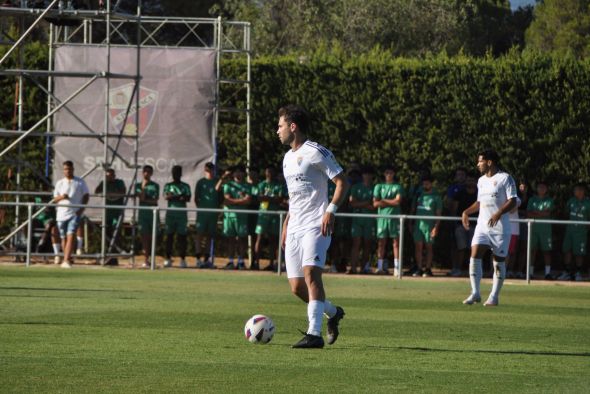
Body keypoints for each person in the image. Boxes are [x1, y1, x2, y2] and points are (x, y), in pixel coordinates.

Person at [277, 104, 348, 348]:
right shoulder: (287, 158)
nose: (278, 131)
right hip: (295, 226)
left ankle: (314, 334)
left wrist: (331, 211)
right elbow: (294, 196)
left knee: (311, 274)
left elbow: (342, 182)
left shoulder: (316, 151)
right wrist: (287, 223)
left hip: (316, 225)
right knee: (297, 287)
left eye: (280, 126)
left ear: (292, 127)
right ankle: (333, 312)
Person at [461, 150, 517, 306]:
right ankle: (475, 293)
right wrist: (466, 211)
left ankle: (494, 296)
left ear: (489, 162)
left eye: (480, 161)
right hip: (482, 227)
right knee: (474, 254)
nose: (478, 164)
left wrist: (499, 213)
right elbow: (479, 203)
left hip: (500, 229)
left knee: (498, 262)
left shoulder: (505, 178)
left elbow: (513, 200)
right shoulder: (480, 181)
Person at [52, 161, 89, 268]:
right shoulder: (60, 183)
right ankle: (67, 257)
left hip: (74, 213)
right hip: (61, 214)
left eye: (69, 169)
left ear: (73, 169)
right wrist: (62, 197)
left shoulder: (80, 182)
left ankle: (66, 260)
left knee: (71, 234)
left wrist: (81, 209)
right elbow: (55, 199)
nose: (67, 171)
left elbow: (86, 195)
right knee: (63, 237)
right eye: (65, 169)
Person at [219, 165, 252, 270]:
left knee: (242, 239)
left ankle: (241, 261)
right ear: (233, 174)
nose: (238, 174)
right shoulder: (228, 185)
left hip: (242, 216)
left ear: (243, 174)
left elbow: (248, 200)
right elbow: (226, 200)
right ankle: (230, 261)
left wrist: (234, 202)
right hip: (229, 216)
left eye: (240, 172)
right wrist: (241, 201)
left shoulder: (247, 186)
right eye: (236, 172)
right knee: (230, 240)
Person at [373, 165, 404, 275]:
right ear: (384, 174)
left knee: (396, 243)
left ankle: (397, 269)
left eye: (390, 172)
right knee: (381, 243)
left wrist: (383, 201)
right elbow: (375, 203)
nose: (389, 175)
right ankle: (380, 267)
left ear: (394, 174)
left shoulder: (398, 186)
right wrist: (391, 201)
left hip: (395, 218)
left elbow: (398, 202)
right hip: (382, 218)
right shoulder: (379, 186)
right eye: (387, 172)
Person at [254, 166, 285, 271]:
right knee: (259, 238)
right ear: (265, 173)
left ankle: (273, 264)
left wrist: (268, 198)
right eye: (268, 172)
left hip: (275, 215)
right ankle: (256, 263)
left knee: (274, 240)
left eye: (271, 171)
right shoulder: (261, 185)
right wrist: (272, 198)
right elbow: (259, 197)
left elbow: (280, 199)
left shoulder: (278, 185)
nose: (269, 174)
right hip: (263, 215)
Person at [411, 175, 442, 277]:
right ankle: (419, 268)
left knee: (429, 247)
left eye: (427, 183)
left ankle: (428, 269)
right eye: (424, 183)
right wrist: (410, 223)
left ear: (431, 184)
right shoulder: (419, 196)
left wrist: (436, 227)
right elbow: (413, 211)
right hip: (418, 225)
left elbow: (438, 214)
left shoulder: (436, 197)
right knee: (418, 247)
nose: (425, 185)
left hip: (430, 226)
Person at [558, 183, 590, 281]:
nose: (578, 191)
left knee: (579, 253)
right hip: (570, 230)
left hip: (581, 231)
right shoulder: (571, 201)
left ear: (583, 191)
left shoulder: (588, 203)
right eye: (576, 190)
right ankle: (567, 272)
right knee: (567, 250)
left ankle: (578, 273)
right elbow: (566, 213)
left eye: (580, 189)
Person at [95, 168, 126, 265]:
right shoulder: (104, 183)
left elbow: (123, 192)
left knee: (115, 233)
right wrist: (104, 186)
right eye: (107, 176)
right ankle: (107, 255)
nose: (109, 177)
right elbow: (97, 191)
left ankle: (113, 256)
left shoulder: (119, 182)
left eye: (111, 175)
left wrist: (113, 193)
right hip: (107, 212)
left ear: (114, 175)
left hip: (117, 212)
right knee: (106, 233)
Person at [448, 173, 478, 277]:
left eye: (472, 180)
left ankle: (473, 270)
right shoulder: (460, 193)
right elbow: (454, 209)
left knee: (474, 248)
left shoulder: (479, 194)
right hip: (460, 225)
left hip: (475, 225)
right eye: (468, 180)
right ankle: (458, 269)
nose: (470, 182)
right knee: (461, 247)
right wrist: (456, 223)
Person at [348, 166, 376, 274]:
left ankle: (364, 268)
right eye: (365, 174)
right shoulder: (355, 187)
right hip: (357, 219)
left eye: (369, 174)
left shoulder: (374, 188)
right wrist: (366, 203)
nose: (367, 176)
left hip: (369, 219)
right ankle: (353, 268)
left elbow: (374, 205)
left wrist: (360, 204)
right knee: (356, 243)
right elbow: (352, 203)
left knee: (367, 244)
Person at [163, 165, 191, 268]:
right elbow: (167, 196)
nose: (176, 175)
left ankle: (183, 259)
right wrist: (179, 196)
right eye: (174, 172)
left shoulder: (185, 186)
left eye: (178, 172)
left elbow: (187, 198)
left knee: (182, 237)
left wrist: (174, 196)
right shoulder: (168, 185)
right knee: (169, 236)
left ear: (181, 174)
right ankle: (167, 258)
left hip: (182, 215)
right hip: (170, 214)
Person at [526, 181, 554, 279]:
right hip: (533, 229)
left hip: (546, 230)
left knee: (547, 252)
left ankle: (547, 273)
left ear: (546, 189)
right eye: (539, 187)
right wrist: (541, 213)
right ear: (536, 189)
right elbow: (528, 213)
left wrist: (535, 212)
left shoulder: (549, 200)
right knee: (532, 251)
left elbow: (547, 213)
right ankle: (530, 273)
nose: (541, 189)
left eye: (543, 187)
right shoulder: (532, 200)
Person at [194, 162, 220, 269]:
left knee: (210, 236)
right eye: (207, 169)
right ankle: (198, 259)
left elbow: (220, 197)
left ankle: (206, 259)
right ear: (205, 170)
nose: (209, 171)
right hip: (202, 214)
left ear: (214, 170)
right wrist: (201, 208)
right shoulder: (200, 182)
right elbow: (196, 198)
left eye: (211, 169)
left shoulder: (217, 181)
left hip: (213, 214)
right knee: (199, 235)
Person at [135, 165, 159, 268]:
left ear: (151, 173)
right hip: (143, 214)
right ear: (142, 172)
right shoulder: (138, 185)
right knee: (144, 237)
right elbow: (141, 198)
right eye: (145, 171)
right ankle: (146, 259)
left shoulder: (155, 185)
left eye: (149, 172)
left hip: (152, 214)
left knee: (153, 237)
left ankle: (152, 259)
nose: (147, 174)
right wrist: (143, 187)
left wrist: (146, 200)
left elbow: (155, 200)